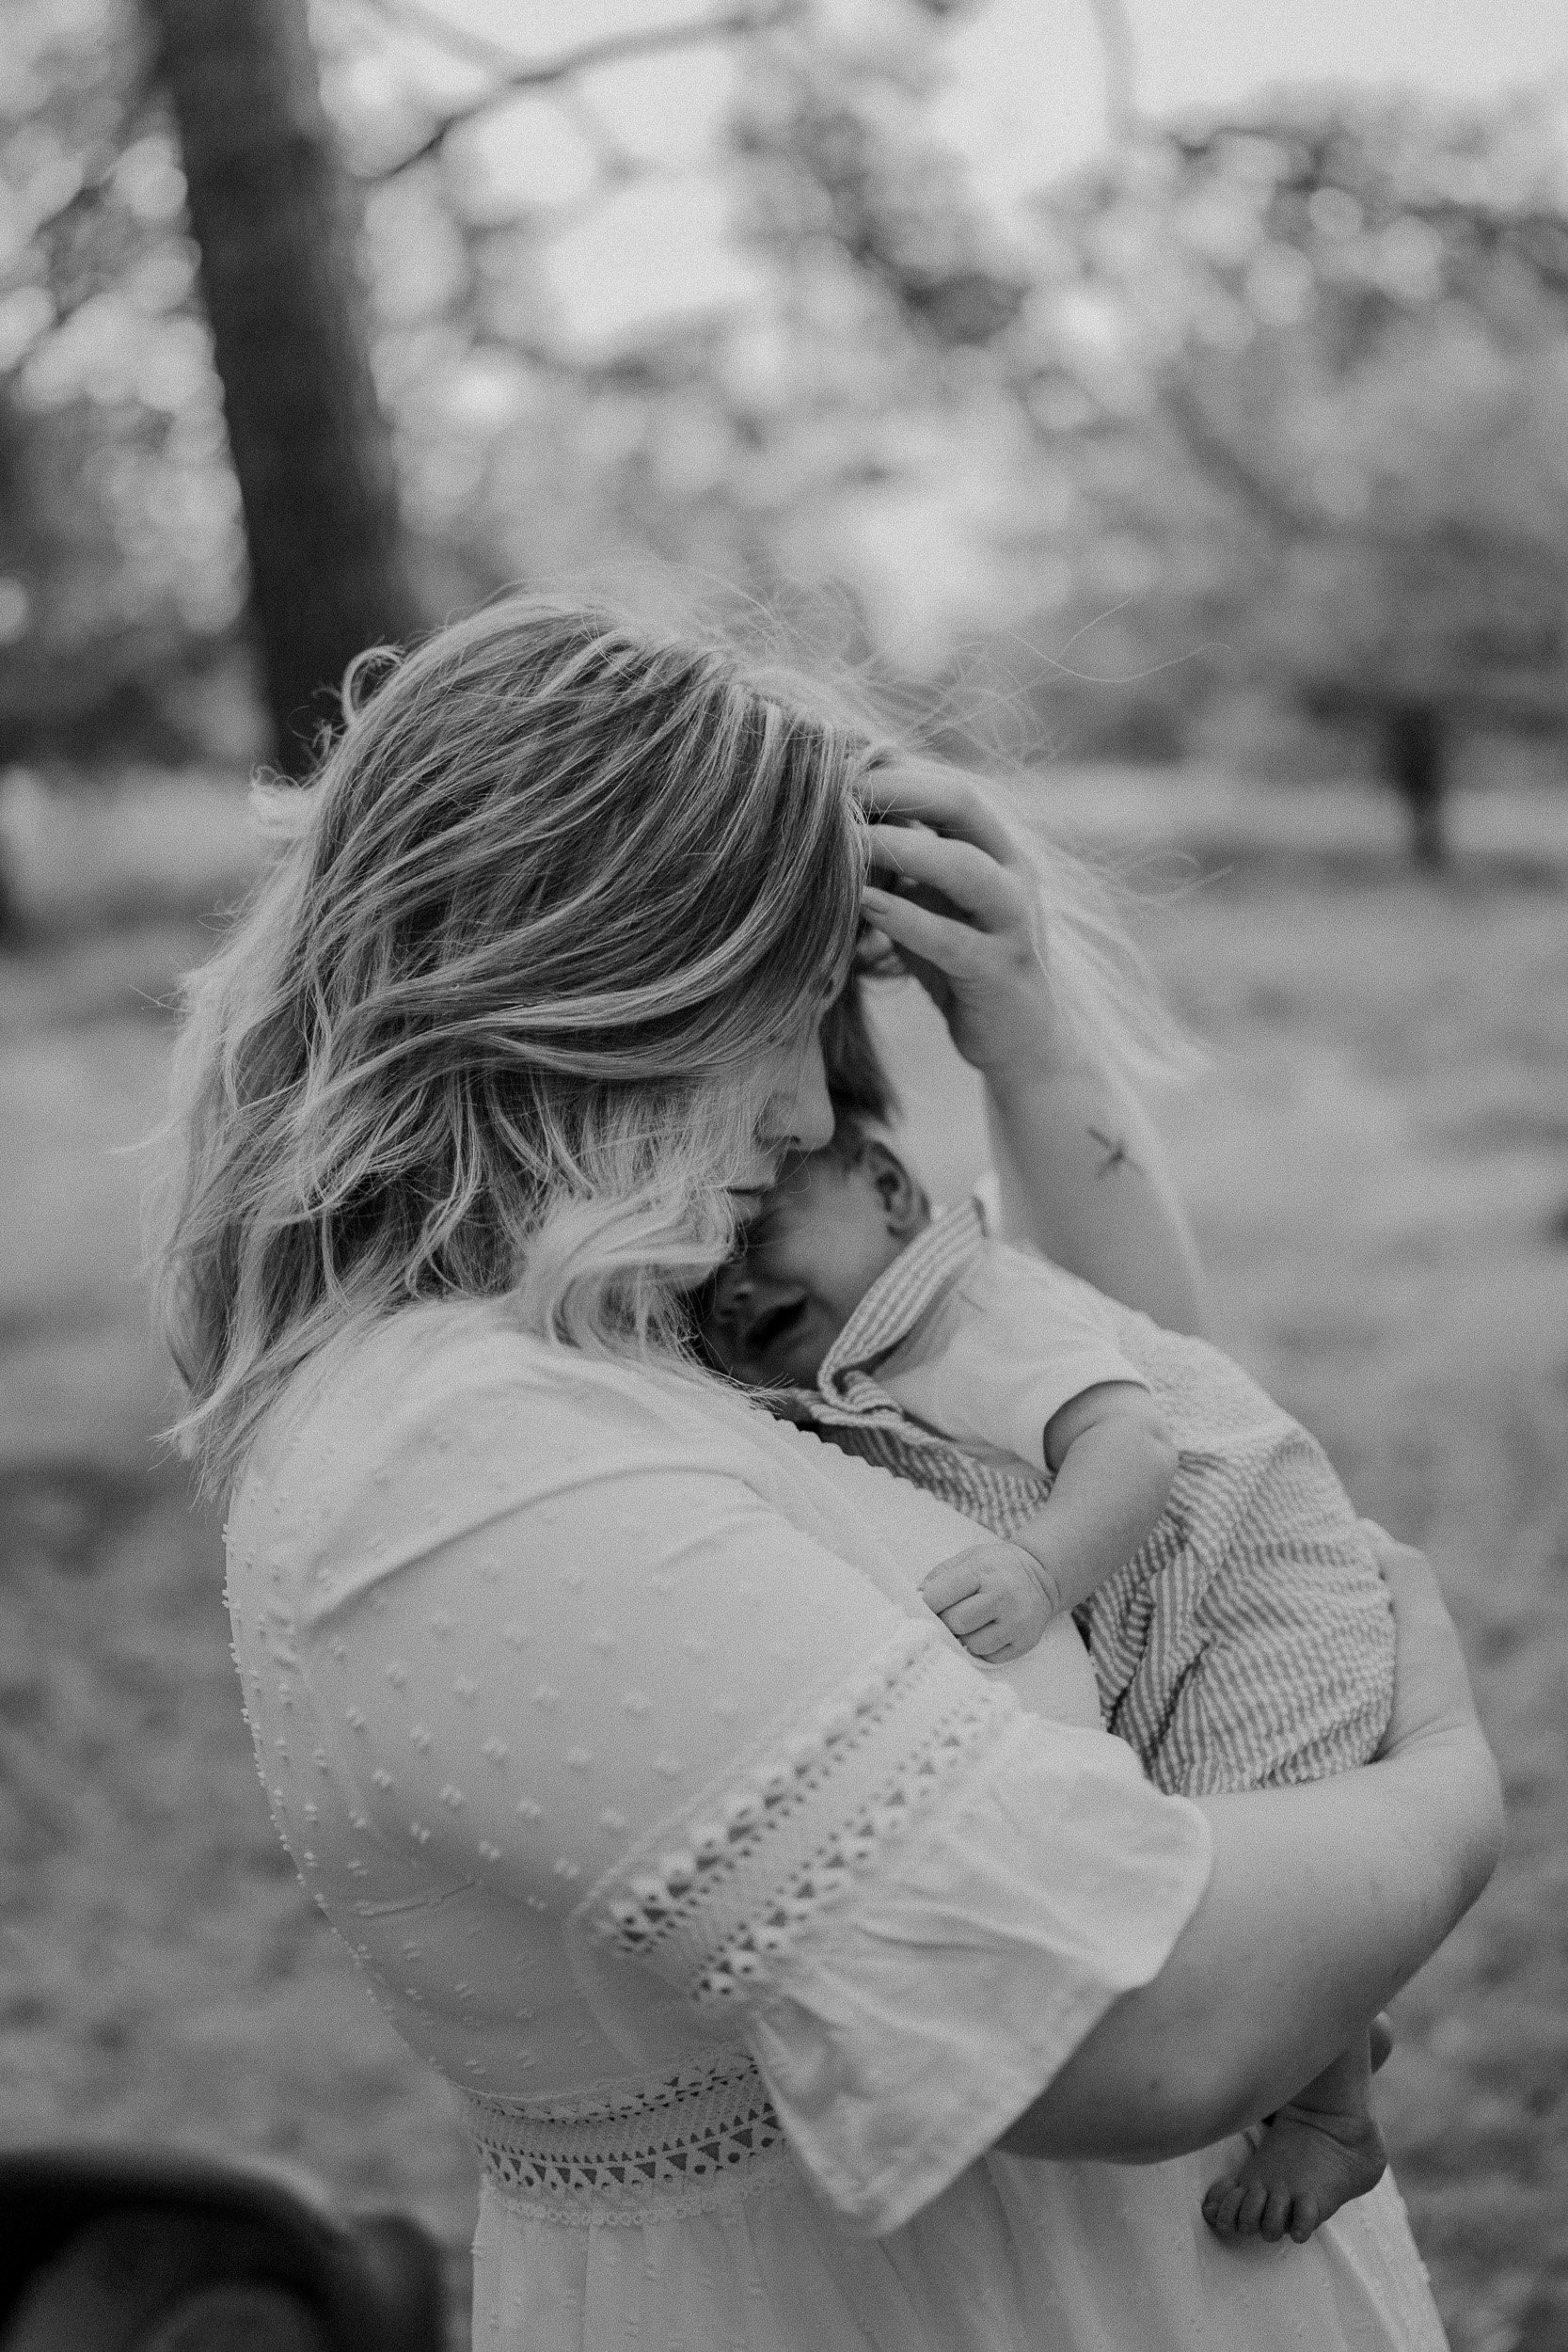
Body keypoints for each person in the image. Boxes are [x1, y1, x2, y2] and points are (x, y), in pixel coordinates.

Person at [153, 597, 1502, 2352]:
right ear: (595, 983)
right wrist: (1450, 1789)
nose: (810, 1116)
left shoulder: (652, 1344)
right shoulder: (460, 1465)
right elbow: (1140, 2021)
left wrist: (1020, 1033)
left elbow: (1132, 1392)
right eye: (770, 1022)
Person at [695, 1112, 1397, 2243]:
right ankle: (1326, 2014)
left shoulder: (966, 1309)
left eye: (752, 1230)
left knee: (1247, 1832)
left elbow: (1133, 1445)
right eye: (696, 1279)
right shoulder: (863, 1347)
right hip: (1187, 1599)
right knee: (1215, 1833)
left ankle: (1331, 2115)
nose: (729, 1291)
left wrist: (1035, 1568)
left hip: (1258, 1586)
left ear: (883, 1184)